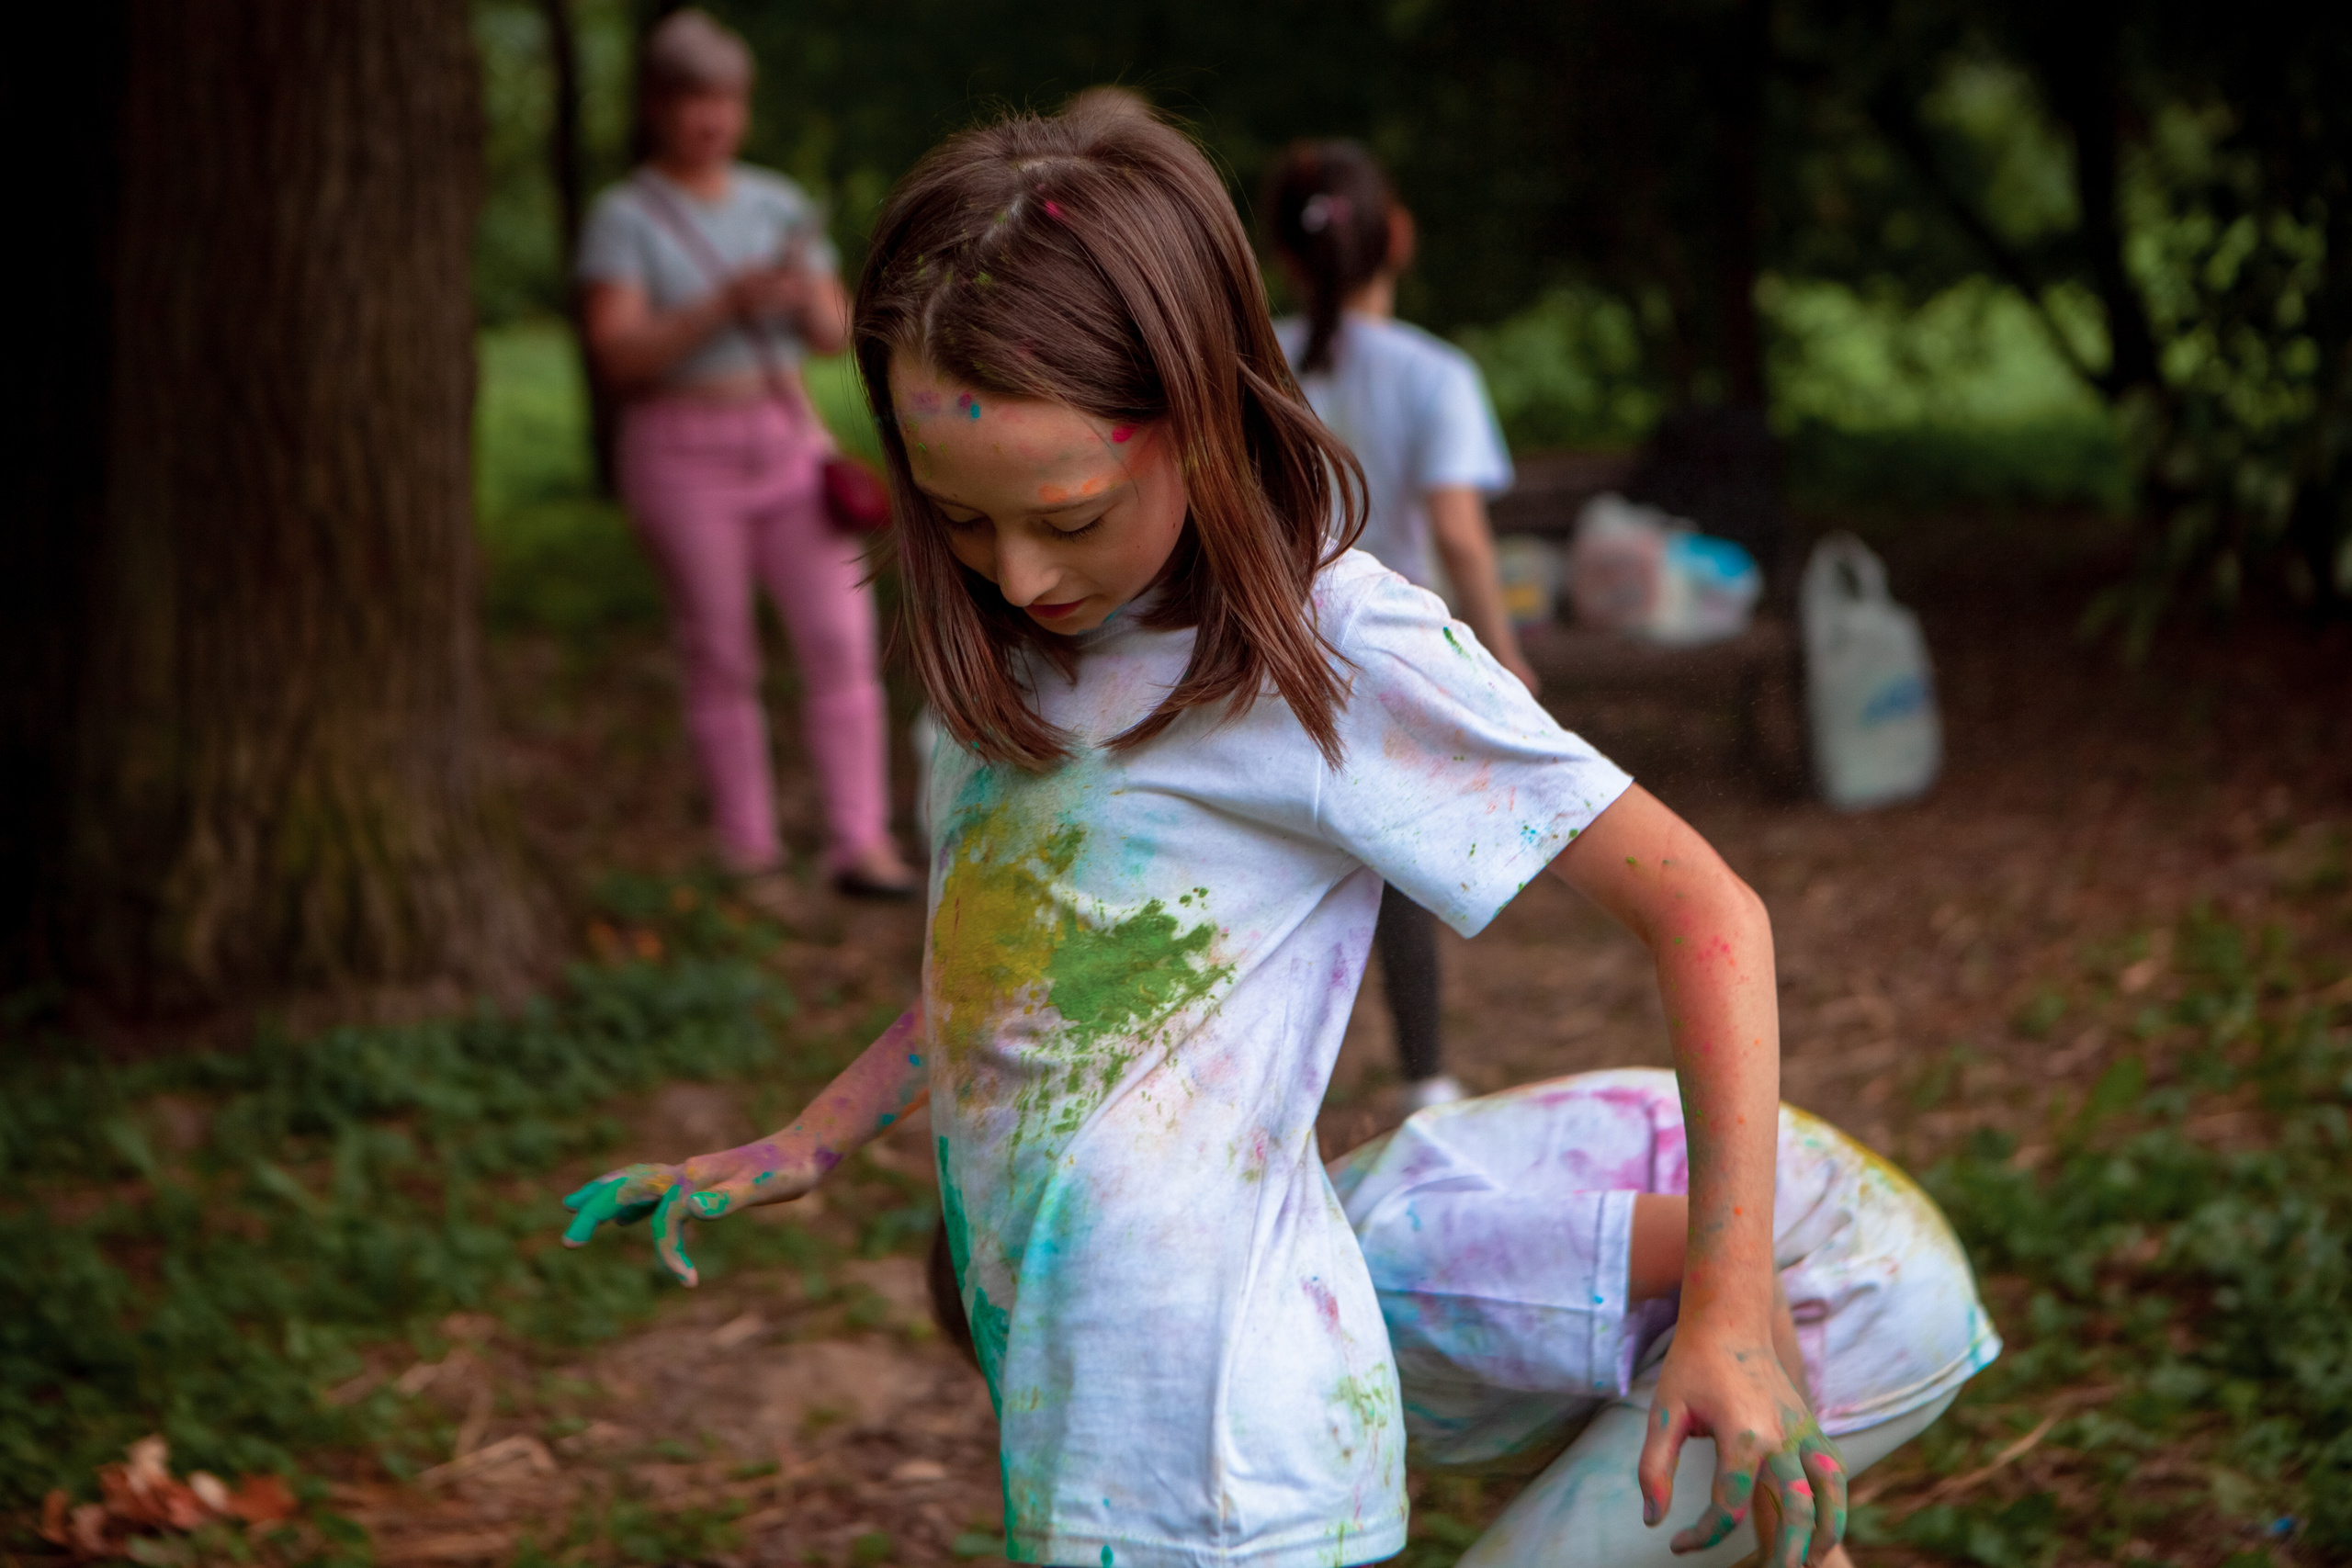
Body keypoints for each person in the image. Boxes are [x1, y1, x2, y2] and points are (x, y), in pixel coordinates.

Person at [559, 95, 1845, 1568]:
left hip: (1236, 1470)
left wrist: (1734, 1306)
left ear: (1205, 412)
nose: (1020, 572)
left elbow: (1708, 911)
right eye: (964, 524)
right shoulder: (1032, 646)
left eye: (1071, 511)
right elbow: (1026, 970)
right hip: (1077, 1425)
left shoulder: (1334, 646)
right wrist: (818, 1131)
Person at [928, 1070, 2000, 1568]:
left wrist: (1793, 1531)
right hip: (1761, 1281)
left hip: (1840, 1286)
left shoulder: (1384, 1270)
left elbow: (1724, 1251)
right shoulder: (1261, 1299)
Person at [575, 9, 915, 905]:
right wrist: (721, 306)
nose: (711, 119)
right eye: (693, 100)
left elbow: (836, 334)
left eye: (725, 99)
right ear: (656, 107)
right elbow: (616, 355)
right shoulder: (624, 216)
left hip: (785, 441)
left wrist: (801, 297)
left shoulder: (779, 204)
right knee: (719, 655)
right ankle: (748, 851)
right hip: (680, 455)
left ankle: (860, 841)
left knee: (841, 642)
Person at [1262, 141, 1532, 1111]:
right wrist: (1505, 655)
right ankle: (1425, 1080)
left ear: (1284, 258)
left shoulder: (1247, 363)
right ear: (1400, 240)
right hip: (1390, 658)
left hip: (1264, 648)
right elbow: (1457, 528)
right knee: (1397, 873)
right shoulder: (1432, 374)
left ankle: (1270, 1087)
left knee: (1278, 867)